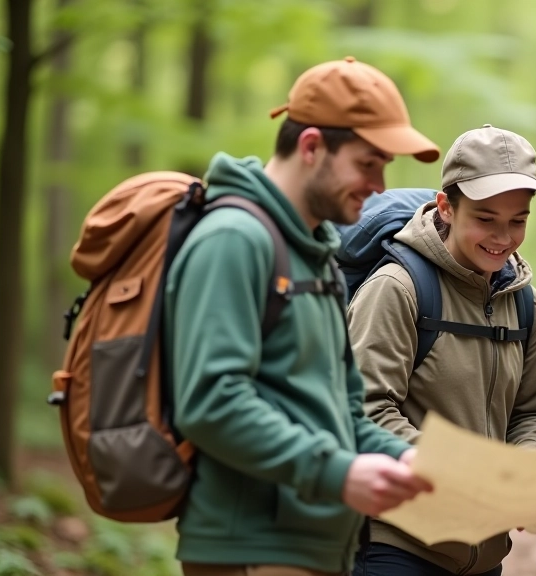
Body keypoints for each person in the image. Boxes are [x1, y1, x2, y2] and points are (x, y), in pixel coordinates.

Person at [163, 57, 439, 576]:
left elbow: (344, 414)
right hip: (248, 548)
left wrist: (409, 460)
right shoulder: (234, 240)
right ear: (311, 146)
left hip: (312, 546)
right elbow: (211, 401)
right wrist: (338, 473)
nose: (380, 185)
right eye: (367, 163)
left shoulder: (319, 257)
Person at [347, 124, 536, 576]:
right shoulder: (397, 288)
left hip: (483, 553)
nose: (503, 237)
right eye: (485, 218)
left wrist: (528, 469)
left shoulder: (525, 304)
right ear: (446, 206)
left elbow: (532, 412)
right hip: (396, 544)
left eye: (517, 220)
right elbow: (365, 409)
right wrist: (463, 473)